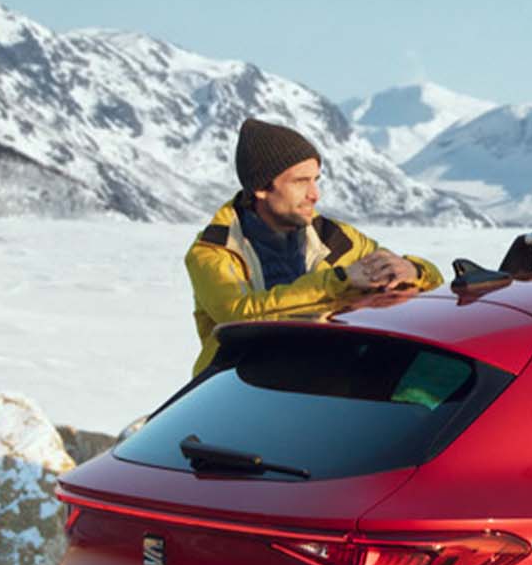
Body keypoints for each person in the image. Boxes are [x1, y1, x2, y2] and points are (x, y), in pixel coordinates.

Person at [183, 117, 443, 376]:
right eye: (300, 181)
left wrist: (414, 270)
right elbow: (238, 316)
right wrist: (336, 282)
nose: (314, 194)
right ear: (261, 188)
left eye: (316, 179)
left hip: (320, 389)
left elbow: (430, 285)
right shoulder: (214, 250)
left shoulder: (336, 238)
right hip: (237, 393)